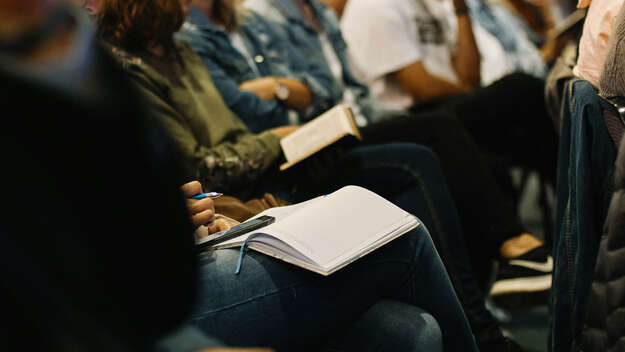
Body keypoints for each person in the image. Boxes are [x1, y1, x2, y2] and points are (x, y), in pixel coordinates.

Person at [97, 0, 482, 350]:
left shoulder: (181, 49)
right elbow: (203, 165)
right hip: (152, 287)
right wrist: (275, 139)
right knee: (403, 231)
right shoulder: (123, 70)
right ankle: (486, 333)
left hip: (226, 215)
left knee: (414, 330)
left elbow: (315, 91)